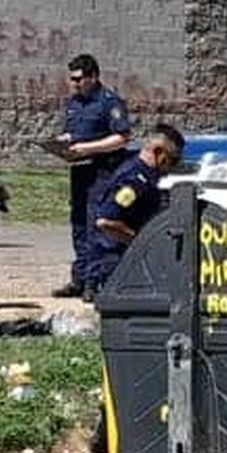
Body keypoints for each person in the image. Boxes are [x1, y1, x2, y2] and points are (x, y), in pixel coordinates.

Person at [52, 54, 133, 299]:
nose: (74, 84)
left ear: (93, 77)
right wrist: (63, 141)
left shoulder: (110, 102)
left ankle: (95, 282)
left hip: (103, 171)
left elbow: (122, 137)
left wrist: (89, 148)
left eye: (78, 79)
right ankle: (79, 278)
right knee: (78, 223)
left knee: (96, 225)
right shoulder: (74, 103)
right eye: (72, 79)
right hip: (80, 171)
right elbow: (72, 131)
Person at [82, 123, 184, 301]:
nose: (172, 167)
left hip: (125, 264)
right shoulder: (134, 180)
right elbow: (106, 221)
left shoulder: (146, 174)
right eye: (172, 160)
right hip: (114, 267)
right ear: (158, 152)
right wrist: (143, 242)